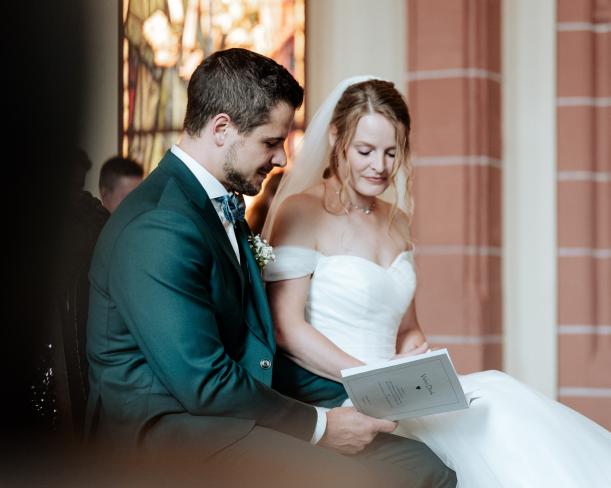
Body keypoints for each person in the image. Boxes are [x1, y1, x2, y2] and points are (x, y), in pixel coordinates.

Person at [85, 49, 455, 486]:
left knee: (424, 468)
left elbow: (249, 347)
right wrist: (321, 425)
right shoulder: (160, 224)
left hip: (225, 412)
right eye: (271, 141)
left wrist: (350, 397)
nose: (282, 159)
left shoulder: (216, 204)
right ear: (221, 128)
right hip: (168, 431)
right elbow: (203, 383)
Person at [262, 76, 611, 487]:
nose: (380, 166)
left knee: (499, 404)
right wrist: (373, 377)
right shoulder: (302, 212)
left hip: (398, 390)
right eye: (365, 151)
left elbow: (407, 330)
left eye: (392, 152)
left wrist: (419, 364)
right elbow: (287, 328)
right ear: (336, 138)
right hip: (338, 390)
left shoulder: (397, 222)